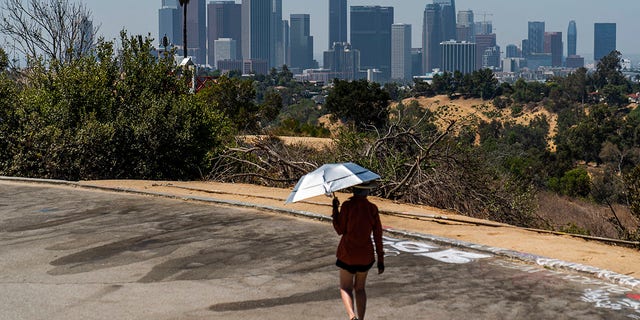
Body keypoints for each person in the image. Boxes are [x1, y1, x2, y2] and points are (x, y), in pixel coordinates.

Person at [331, 181, 384, 320]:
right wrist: (381, 259)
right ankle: (361, 319)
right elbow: (378, 235)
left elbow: (340, 229)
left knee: (345, 287)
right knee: (360, 289)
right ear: (367, 192)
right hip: (365, 255)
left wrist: (335, 210)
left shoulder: (347, 206)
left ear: (354, 190)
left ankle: (351, 315)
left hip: (347, 254)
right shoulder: (372, 208)